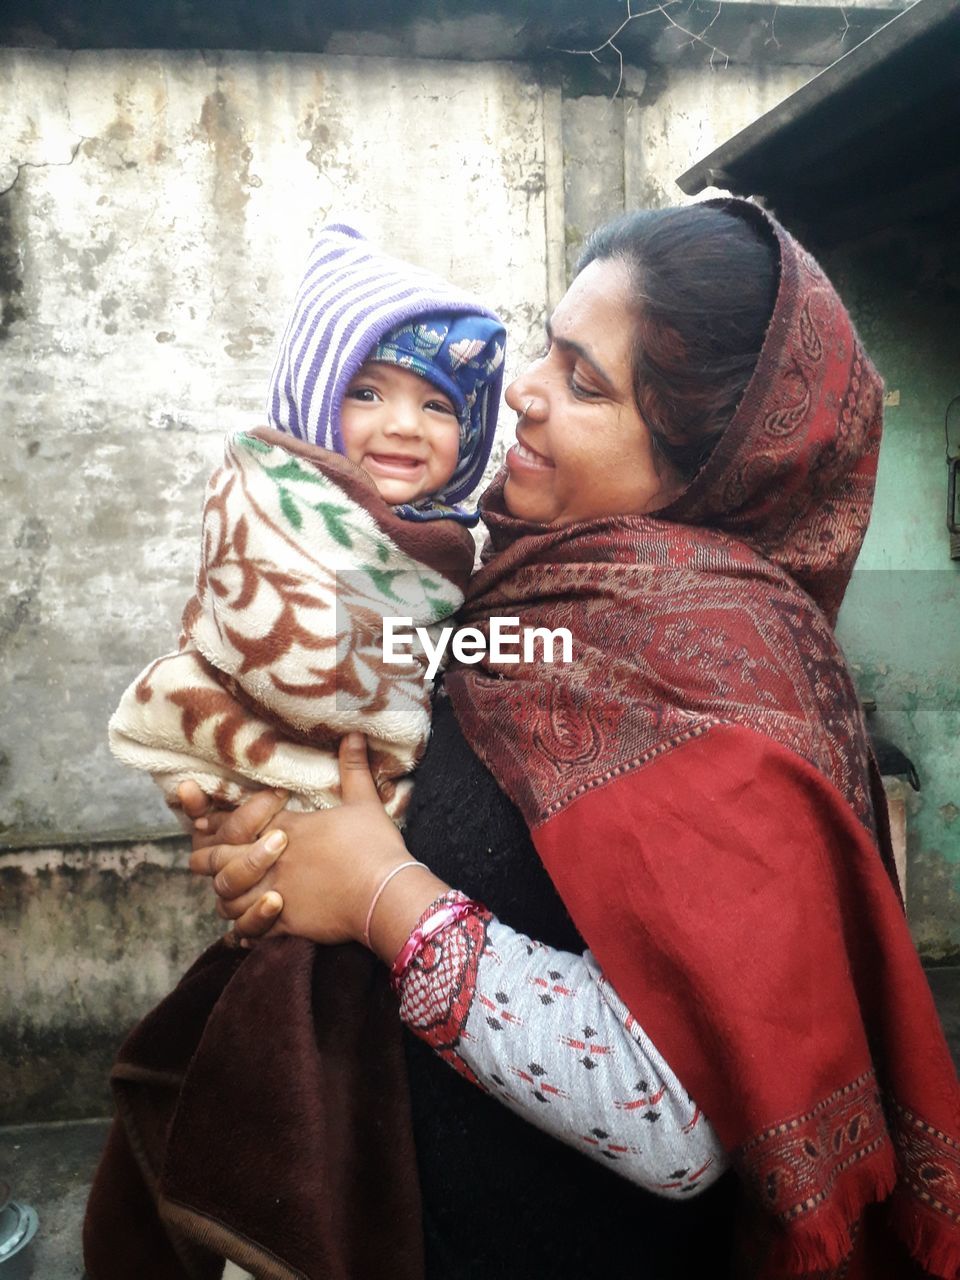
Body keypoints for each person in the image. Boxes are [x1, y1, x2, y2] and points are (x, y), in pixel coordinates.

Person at [184, 199, 960, 1280]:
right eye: (548, 346)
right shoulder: (513, 585)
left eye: (585, 381)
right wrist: (275, 843)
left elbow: (682, 1110)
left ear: (711, 458)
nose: (525, 391)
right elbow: (412, 795)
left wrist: (379, 896)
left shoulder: (728, 668)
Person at [108, 224, 506, 848]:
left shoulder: (442, 537)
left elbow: (421, 639)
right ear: (313, 394)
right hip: (280, 778)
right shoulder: (269, 494)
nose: (404, 425)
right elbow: (301, 656)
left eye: (438, 406)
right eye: (367, 392)